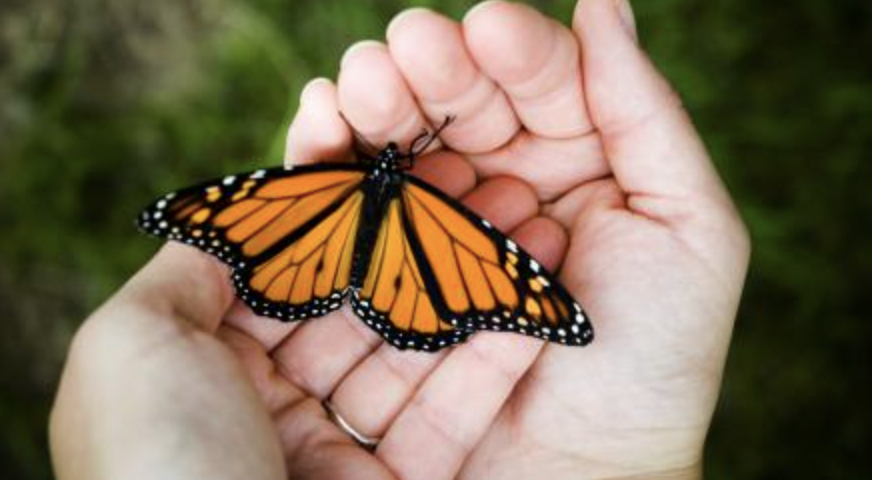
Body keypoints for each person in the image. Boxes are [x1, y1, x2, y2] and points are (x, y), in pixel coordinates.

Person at [48, 1, 750, 479]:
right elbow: (490, 273)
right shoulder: (434, 208)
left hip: (317, 256)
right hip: (399, 285)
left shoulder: (344, 185)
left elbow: (506, 286)